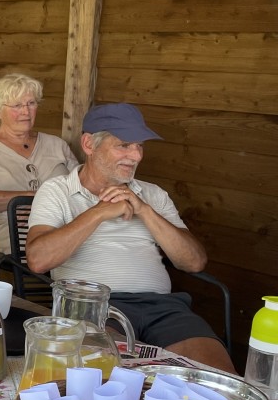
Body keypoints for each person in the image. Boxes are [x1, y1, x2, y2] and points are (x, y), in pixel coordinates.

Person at [26, 103, 234, 371]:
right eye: (124, 145)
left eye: (140, 146)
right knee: (109, 379)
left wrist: (144, 210)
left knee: (217, 377)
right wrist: (99, 212)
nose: (135, 155)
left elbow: (194, 262)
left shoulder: (153, 194)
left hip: (164, 309)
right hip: (93, 308)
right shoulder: (57, 191)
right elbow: (38, 260)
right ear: (89, 144)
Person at [0, 73, 78, 254]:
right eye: (17, 105)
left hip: (62, 226)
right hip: (11, 232)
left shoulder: (57, 145)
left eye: (31, 103)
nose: (26, 111)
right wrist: (33, 198)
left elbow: (82, 187)